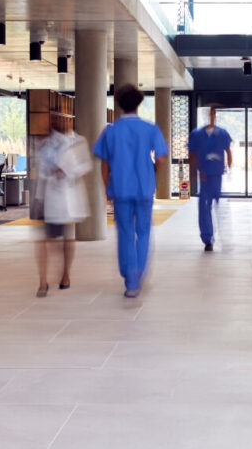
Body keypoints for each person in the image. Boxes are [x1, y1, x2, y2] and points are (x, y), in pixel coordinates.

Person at [93, 84, 168, 298]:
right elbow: (161, 158)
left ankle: (130, 280)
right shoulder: (150, 128)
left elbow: (104, 163)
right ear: (138, 104)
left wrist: (107, 186)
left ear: (119, 105)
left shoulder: (111, 130)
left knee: (125, 232)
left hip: (121, 188)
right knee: (143, 231)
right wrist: (151, 171)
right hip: (144, 188)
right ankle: (139, 272)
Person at [35, 125, 92, 298]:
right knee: (45, 240)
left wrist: (65, 170)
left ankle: (65, 274)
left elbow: (85, 165)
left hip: (68, 198)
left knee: (67, 239)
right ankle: (42, 282)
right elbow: (40, 169)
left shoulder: (77, 141)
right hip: (48, 197)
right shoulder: (44, 143)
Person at [189, 106, 232, 252]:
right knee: (205, 208)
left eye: (214, 113)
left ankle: (225, 237)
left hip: (218, 175)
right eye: (210, 113)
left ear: (216, 115)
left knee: (221, 207)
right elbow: (192, 154)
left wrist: (230, 167)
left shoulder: (223, 134)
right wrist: (194, 172)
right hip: (205, 176)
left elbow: (228, 151)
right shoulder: (197, 134)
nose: (211, 116)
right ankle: (208, 239)